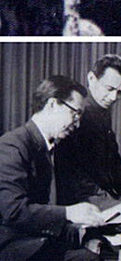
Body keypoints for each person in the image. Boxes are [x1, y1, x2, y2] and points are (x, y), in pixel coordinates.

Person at [0, 76, 105, 260]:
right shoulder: (12, 145)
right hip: (15, 248)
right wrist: (69, 213)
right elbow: (14, 211)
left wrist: (87, 230)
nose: (77, 123)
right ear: (52, 104)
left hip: (39, 241)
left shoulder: (53, 147)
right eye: (75, 113)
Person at [55, 54, 121, 210]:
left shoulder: (101, 111)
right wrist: (120, 205)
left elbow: (114, 164)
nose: (114, 97)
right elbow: (76, 181)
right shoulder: (77, 116)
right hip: (83, 206)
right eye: (110, 89)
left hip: (103, 200)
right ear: (91, 78)